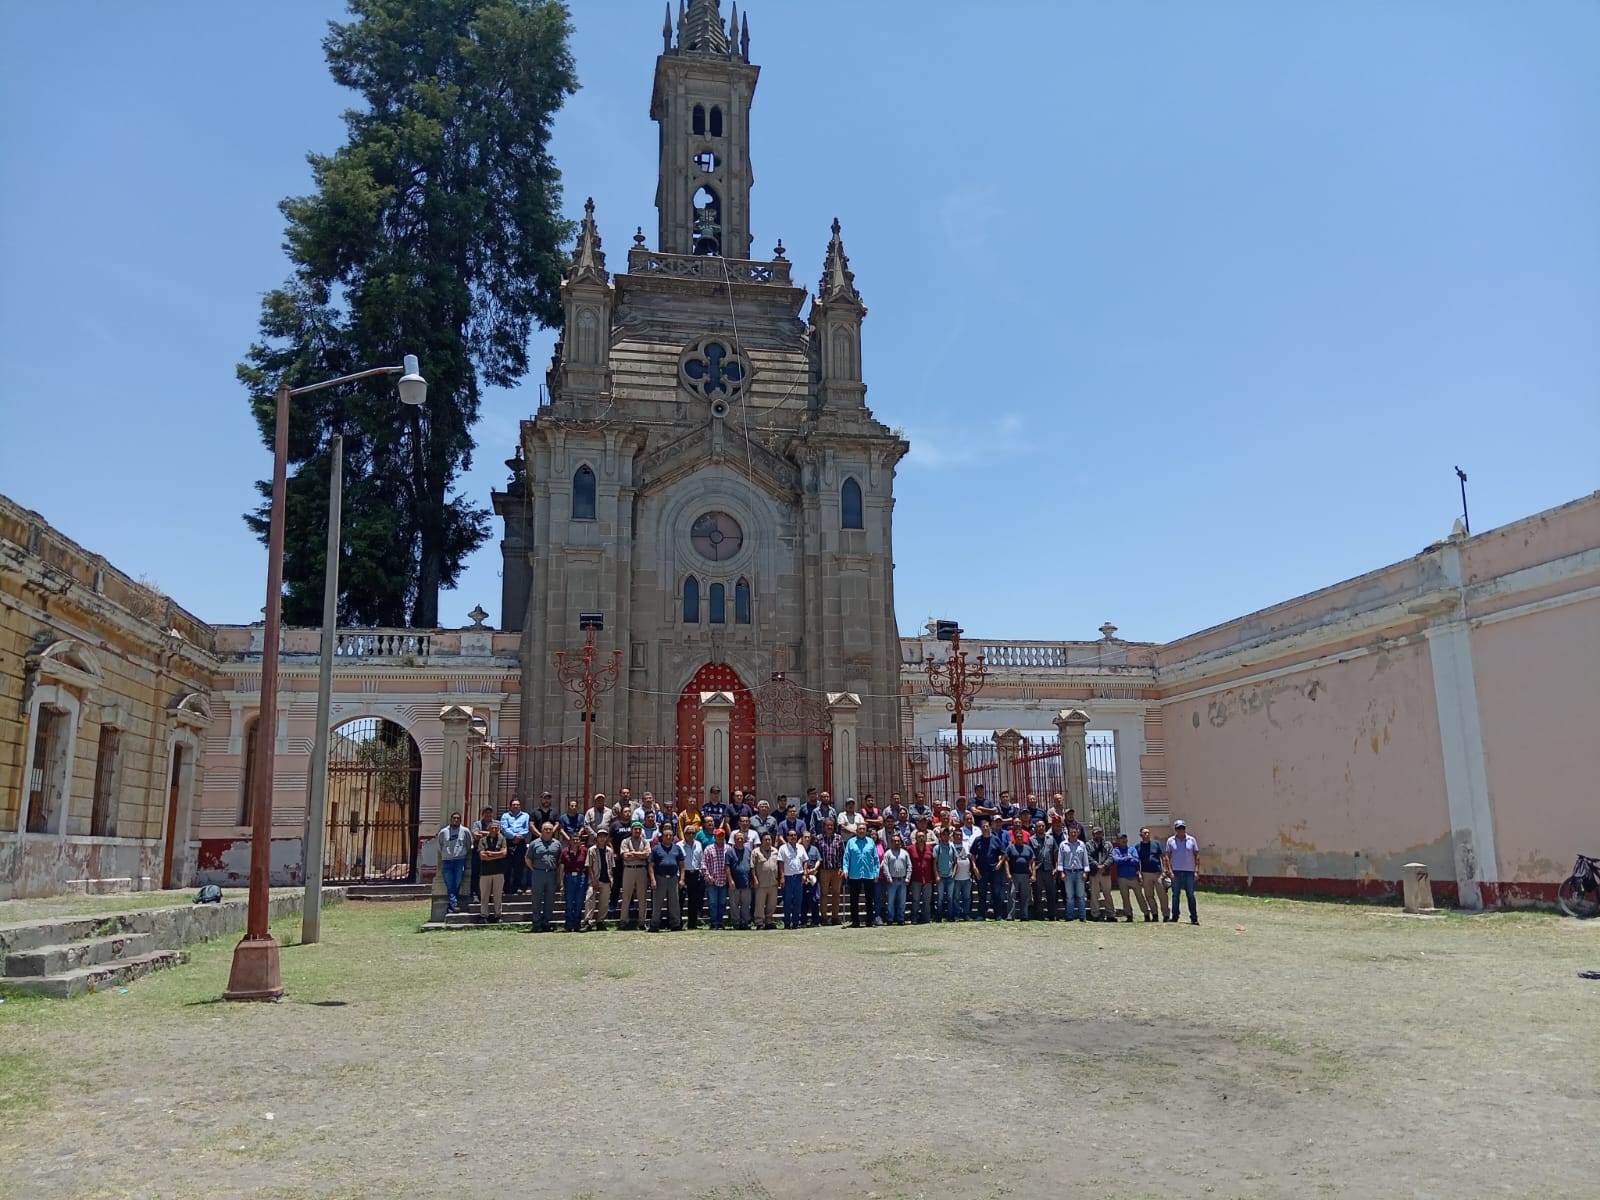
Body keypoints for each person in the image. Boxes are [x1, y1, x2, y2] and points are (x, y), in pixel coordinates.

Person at [525, 822, 563, 933]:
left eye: (550, 829)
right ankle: (537, 923)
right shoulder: (534, 843)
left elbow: (560, 860)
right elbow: (528, 859)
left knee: (550, 899)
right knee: (536, 899)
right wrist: (534, 869)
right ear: (541, 830)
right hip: (538, 873)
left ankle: (547, 922)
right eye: (546, 829)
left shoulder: (557, 844)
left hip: (551, 874)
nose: (548, 831)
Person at [647, 826, 685, 931]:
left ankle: (675, 924)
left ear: (673, 837)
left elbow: (682, 865)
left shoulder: (677, 848)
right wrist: (653, 880)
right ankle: (654, 925)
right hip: (660, 878)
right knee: (657, 903)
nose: (668, 837)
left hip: (673, 879)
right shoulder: (656, 849)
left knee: (674, 903)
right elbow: (651, 866)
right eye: (666, 835)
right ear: (662, 837)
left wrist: (682, 879)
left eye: (670, 835)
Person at [617, 820, 652, 930]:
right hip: (629, 870)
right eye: (635, 829)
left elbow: (647, 854)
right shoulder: (625, 841)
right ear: (631, 830)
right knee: (626, 896)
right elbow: (625, 856)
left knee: (642, 898)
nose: (637, 831)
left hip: (641, 870)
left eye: (639, 829)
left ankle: (642, 922)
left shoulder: (645, 842)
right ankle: (623, 921)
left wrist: (633, 853)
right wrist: (639, 855)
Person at [844, 825, 880, 928]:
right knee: (854, 899)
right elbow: (846, 857)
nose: (862, 831)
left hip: (869, 874)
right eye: (860, 829)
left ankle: (870, 921)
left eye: (864, 829)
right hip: (854, 874)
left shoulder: (870, 842)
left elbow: (876, 859)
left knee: (869, 899)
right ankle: (855, 922)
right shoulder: (851, 842)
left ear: (866, 831)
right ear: (856, 830)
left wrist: (876, 873)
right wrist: (845, 869)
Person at [969, 818, 1005, 920]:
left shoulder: (996, 839)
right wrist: (975, 868)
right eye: (983, 827)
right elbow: (972, 855)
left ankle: (998, 915)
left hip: (994, 871)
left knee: (996, 894)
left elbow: (1003, 854)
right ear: (981, 828)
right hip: (981, 871)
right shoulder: (978, 840)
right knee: (982, 894)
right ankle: (981, 915)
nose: (985, 828)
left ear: (990, 827)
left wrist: (1000, 863)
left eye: (987, 826)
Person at [436, 811, 472, 914]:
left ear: (460, 820)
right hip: (447, 861)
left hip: (459, 861)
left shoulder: (465, 831)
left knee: (457, 883)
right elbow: (440, 846)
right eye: (454, 818)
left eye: (458, 818)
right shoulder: (443, 832)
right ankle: (454, 905)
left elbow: (468, 845)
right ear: (450, 820)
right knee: (450, 883)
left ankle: (451, 905)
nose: (456, 820)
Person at [1166, 819, 1201, 924]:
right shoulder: (1170, 841)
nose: (1181, 830)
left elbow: (1197, 856)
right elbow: (1167, 857)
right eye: (1179, 828)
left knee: (1190, 894)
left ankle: (1194, 918)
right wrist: (1170, 871)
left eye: (1183, 828)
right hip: (1176, 871)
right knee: (1175, 895)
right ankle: (1175, 916)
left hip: (1189, 872)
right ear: (1175, 829)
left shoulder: (1192, 840)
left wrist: (1196, 871)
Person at [581, 828, 615, 931]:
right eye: (600, 836)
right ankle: (588, 922)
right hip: (595, 878)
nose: (602, 838)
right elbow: (589, 866)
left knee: (604, 902)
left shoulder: (609, 851)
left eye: (604, 836)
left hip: (606, 879)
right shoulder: (592, 850)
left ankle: (600, 921)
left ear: (606, 838)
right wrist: (594, 880)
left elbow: (612, 866)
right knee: (589, 898)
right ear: (597, 838)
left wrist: (611, 879)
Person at [475, 819, 509, 923]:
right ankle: (484, 915)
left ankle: (498, 915)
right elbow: (482, 856)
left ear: (499, 829)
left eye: (496, 828)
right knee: (484, 895)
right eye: (492, 828)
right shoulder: (483, 840)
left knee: (498, 895)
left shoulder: (502, 839)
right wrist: (497, 855)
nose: (494, 830)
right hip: (485, 872)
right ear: (488, 829)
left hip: (499, 871)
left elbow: (504, 853)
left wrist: (490, 853)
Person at [1135, 826, 1170, 922]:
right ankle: (1154, 914)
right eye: (1145, 833)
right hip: (1146, 874)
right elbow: (1137, 861)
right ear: (1140, 835)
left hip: (1158, 873)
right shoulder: (1138, 847)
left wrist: (1165, 871)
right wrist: (1139, 874)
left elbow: (1163, 857)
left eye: (1148, 833)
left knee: (1162, 895)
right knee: (1149, 895)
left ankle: (1166, 915)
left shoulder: (1156, 844)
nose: (1147, 834)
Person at [1055, 825, 1090, 922]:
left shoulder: (1082, 844)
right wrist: (1061, 872)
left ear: (1078, 833)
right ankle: (1069, 916)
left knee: (1081, 896)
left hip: (1079, 872)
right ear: (1068, 833)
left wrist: (1085, 872)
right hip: (1068, 873)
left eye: (1075, 832)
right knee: (1069, 896)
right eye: (1071, 832)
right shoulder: (1063, 845)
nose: (1073, 834)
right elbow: (1060, 860)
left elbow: (1085, 860)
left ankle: (1082, 916)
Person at [814, 817, 845, 925]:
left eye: (831, 825)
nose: (830, 827)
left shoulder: (839, 838)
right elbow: (816, 854)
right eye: (828, 825)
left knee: (836, 893)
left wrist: (842, 868)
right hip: (824, 870)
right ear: (824, 827)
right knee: (824, 894)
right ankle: (823, 917)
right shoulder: (818, 838)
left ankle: (835, 917)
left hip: (837, 870)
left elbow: (843, 854)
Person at [1111, 832, 1147, 922]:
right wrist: (1127, 858)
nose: (1123, 840)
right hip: (1122, 877)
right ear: (1118, 841)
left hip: (1133, 877)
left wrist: (1123, 859)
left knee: (1140, 896)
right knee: (1125, 897)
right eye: (1121, 839)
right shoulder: (1116, 850)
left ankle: (1146, 913)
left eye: (1125, 838)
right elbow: (1116, 861)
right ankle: (1129, 915)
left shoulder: (1132, 849)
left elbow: (1135, 861)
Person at [559, 827, 590, 932]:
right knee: (569, 902)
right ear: (570, 840)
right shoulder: (564, 852)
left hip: (581, 877)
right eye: (573, 839)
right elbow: (562, 868)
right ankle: (568, 924)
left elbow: (588, 865)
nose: (576, 841)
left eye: (577, 839)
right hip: (568, 877)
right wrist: (561, 883)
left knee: (579, 901)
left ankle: (577, 924)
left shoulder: (584, 851)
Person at [777, 828, 808, 930]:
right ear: (787, 837)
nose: (793, 837)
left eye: (794, 835)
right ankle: (787, 922)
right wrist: (781, 877)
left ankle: (795, 922)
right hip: (788, 877)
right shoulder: (783, 848)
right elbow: (780, 864)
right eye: (791, 835)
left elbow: (805, 861)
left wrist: (805, 874)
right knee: (787, 901)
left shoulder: (801, 847)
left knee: (798, 901)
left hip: (799, 877)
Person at [499, 797, 531, 895]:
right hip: (508, 842)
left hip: (521, 842)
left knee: (519, 866)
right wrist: (514, 836)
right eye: (514, 804)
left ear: (520, 806)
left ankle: (518, 887)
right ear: (510, 806)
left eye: (517, 804)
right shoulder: (505, 816)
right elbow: (504, 828)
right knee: (507, 867)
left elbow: (526, 829)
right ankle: (507, 888)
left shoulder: (525, 816)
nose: (516, 806)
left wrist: (519, 837)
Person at [681, 816, 708, 930]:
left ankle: (692, 924)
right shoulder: (679, 845)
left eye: (693, 833)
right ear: (685, 834)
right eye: (688, 833)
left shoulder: (698, 844)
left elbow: (701, 859)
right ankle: (678, 923)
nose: (691, 835)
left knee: (694, 900)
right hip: (684, 874)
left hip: (696, 874)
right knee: (680, 900)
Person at [752, 832, 782, 930]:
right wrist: (755, 880)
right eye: (766, 840)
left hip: (773, 882)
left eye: (769, 839)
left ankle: (769, 920)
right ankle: (759, 922)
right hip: (761, 883)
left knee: (772, 904)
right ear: (761, 841)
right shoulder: (756, 852)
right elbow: (752, 867)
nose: (768, 841)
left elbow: (779, 865)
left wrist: (780, 877)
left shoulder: (776, 851)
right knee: (760, 904)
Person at [702, 826, 731, 930]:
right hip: (712, 881)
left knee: (722, 903)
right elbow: (704, 864)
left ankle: (720, 922)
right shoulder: (709, 849)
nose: (720, 838)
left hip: (724, 880)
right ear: (715, 836)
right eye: (718, 836)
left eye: (722, 836)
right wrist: (708, 877)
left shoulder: (728, 848)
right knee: (713, 903)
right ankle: (713, 922)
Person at [1032, 819, 1061, 921]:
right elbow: (1030, 858)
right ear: (1035, 828)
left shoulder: (1051, 839)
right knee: (1037, 894)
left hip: (1049, 869)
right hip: (1038, 870)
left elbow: (1055, 854)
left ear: (1045, 827)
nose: (1041, 828)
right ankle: (1039, 915)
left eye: (1042, 826)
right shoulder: (1032, 840)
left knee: (1051, 894)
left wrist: (1056, 867)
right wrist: (1032, 872)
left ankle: (1052, 914)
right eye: (1039, 826)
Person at [1004, 825, 1035, 920]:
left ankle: (1024, 915)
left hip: (1025, 875)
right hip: (1014, 875)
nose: (1019, 838)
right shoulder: (1010, 848)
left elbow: (1032, 861)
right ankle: (1010, 915)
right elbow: (1006, 861)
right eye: (1018, 837)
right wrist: (1008, 873)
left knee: (1025, 896)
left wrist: (1033, 874)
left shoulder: (1028, 848)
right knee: (1012, 895)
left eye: (1021, 837)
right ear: (1015, 838)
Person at [726, 830, 755, 930]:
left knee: (746, 904)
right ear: (734, 840)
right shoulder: (729, 851)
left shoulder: (748, 851)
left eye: (741, 838)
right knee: (734, 905)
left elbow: (751, 867)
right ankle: (736, 922)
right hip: (734, 883)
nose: (739, 840)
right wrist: (730, 880)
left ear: (745, 840)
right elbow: (727, 867)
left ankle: (745, 922)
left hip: (746, 882)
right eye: (737, 838)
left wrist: (752, 879)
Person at [881, 832, 911, 925]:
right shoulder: (888, 853)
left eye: (898, 841)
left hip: (902, 880)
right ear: (891, 842)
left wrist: (908, 878)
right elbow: (885, 866)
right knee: (890, 902)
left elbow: (909, 866)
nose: (897, 843)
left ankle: (900, 919)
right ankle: (890, 919)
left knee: (902, 902)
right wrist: (888, 878)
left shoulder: (905, 853)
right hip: (892, 881)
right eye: (894, 841)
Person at [908, 829, 936, 924]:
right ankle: (914, 918)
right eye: (919, 836)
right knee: (915, 900)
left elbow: (934, 863)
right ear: (915, 838)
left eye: (923, 836)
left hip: (928, 878)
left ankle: (926, 918)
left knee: (927, 900)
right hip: (916, 878)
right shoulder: (910, 849)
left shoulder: (930, 848)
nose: (921, 838)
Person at [934, 826, 958, 921]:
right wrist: (936, 875)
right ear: (940, 836)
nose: (946, 836)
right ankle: (939, 916)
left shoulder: (952, 847)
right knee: (940, 898)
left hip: (950, 876)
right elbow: (934, 863)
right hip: (941, 876)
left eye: (947, 834)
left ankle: (950, 916)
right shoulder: (937, 848)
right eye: (944, 834)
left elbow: (956, 861)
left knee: (950, 898)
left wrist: (954, 873)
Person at [952, 824, 974, 919]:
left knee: (967, 897)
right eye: (956, 835)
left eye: (960, 835)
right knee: (956, 898)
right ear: (953, 836)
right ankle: (956, 914)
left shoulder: (966, 844)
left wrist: (972, 870)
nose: (959, 836)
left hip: (967, 877)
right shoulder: (951, 845)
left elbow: (971, 857)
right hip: (956, 877)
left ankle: (966, 914)